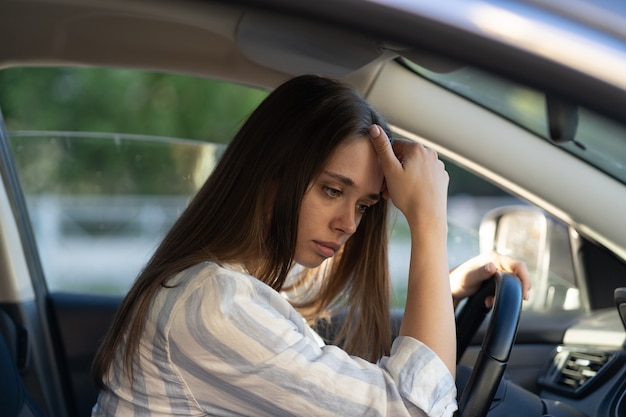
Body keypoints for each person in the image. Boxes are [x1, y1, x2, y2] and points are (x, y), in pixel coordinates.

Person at [91, 74, 530, 417]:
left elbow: (324, 360)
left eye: (364, 205)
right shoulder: (215, 305)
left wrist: (447, 288)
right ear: (270, 173)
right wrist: (428, 221)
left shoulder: (242, 279)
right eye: (332, 191)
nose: (348, 225)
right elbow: (413, 409)